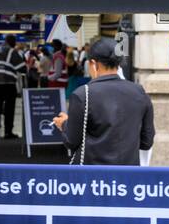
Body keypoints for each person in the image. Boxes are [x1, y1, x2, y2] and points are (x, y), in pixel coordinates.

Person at [53, 37, 154, 165]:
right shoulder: (139, 92)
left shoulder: (82, 94)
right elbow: (146, 142)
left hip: (93, 176)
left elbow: (71, 141)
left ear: (94, 64)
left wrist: (64, 124)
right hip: (128, 175)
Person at [0, 35, 25, 139]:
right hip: (8, 83)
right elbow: (21, 68)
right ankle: (8, 132)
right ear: (12, 42)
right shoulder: (12, 51)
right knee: (9, 109)